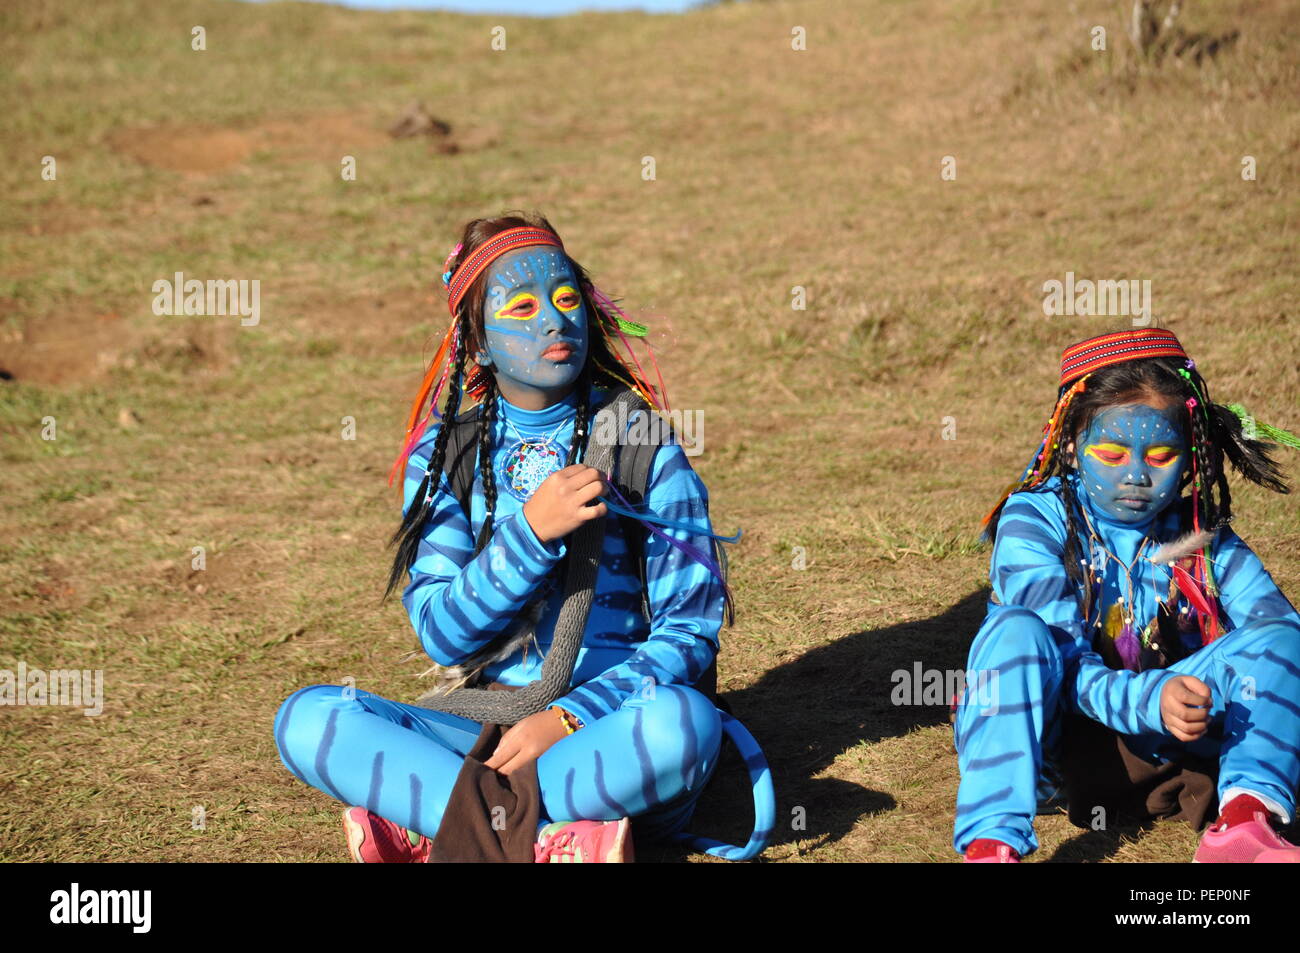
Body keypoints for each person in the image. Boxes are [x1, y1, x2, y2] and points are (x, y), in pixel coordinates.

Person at [274, 212, 772, 862]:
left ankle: (444, 828)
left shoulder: (641, 440)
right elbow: (441, 631)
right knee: (311, 720)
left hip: (609, 729)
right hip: (485, 726)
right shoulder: (446, 452)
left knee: (684, 726)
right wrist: (530, 535)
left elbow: (690, 632)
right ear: (476, 343)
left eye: (567, 300)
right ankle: (551, 843)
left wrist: (564, 717)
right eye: (521, 305)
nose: (551, 321)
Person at [954, 328, 1300, 863]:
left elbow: (1278, 638)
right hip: (1054, 743)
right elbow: (1063, 664)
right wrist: (1150, 698)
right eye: (1112, 452)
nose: (1136, 475)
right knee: (1015, 631)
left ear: (1191, 456)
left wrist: (1193, 695)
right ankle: (992, 845)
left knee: (1281, 639)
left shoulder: (1198, 533)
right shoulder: (1035, 517)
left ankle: (1245, 821)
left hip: (1168, 736)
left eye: (1161, 455)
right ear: (1070, 445)